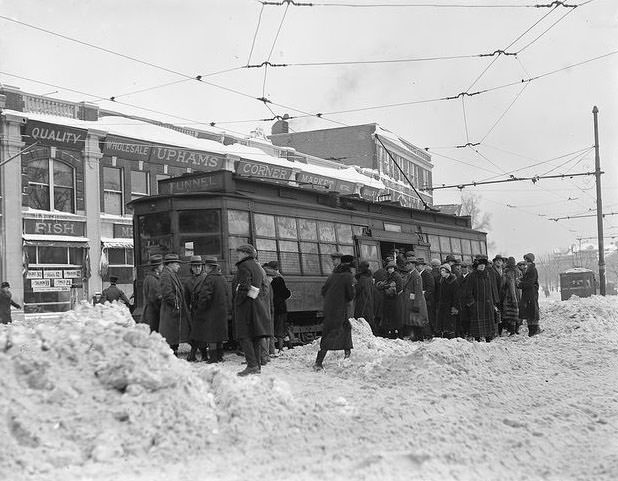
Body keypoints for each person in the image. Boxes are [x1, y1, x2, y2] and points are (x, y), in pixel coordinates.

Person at [233, 244, 272, 376]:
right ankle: (257, 366)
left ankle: (252, 365)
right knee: (255, 336)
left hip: (246, 306)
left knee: (244, 335)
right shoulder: (256, 266)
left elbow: (244, 286)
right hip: (256, 304)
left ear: (245, 253)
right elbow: (260, 287)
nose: (237, 255)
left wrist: (238, 300)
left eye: (239, 253)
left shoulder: (244, 266)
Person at [314, 255, 355, 371]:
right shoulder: (348, 276)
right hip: (339, 310)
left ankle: (347, 355)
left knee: (345, 328)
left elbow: (323, 291)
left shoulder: (332, 276)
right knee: (332, 334)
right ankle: (318, 362)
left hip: (329, 309)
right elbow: (350, 295)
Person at [193, 256, 230, 363]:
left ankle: (213, 358)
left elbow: (205, 296)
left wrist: (200, 308)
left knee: (212, 335)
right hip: (222, 311)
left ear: (208, 267)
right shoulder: (222, 278)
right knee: (219, 335)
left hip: (211, 312)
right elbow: (227, 294)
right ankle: (220, 356)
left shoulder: (209, 278)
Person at [159, 253, 191, 356]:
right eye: (177, 264)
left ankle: (174, 352)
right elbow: (167, 293)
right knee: (170, 335)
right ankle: (172, 355)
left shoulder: (171, 274)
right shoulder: (165, 275)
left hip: (173, 311)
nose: (179, 266)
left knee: (173, 334)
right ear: (170, 264)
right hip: (171, 311)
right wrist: (176, 304)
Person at [463, 256, 499, 342]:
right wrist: (472, 303)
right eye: (480, 264)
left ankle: (488, 339)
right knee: (477, 327)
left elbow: (492, 289)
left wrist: (493, 302)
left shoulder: (487, 275)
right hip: (477, 305)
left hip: (487, 304)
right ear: (476, 266)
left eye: (483, 264)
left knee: (488, 326)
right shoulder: (472, 276)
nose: (482, 266)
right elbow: (468, 291)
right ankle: (477, 340)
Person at [263, 261, 292, 353]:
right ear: (276, 268)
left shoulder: (265, 277)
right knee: (281, 327)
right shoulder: (278, 278)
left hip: (269, 306)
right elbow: (284, 293)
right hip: (280, 306)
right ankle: (280, 348)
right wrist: (289, 293)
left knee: (273, 327)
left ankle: (287, 345)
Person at [184, 256, 206, 362]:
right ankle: (194, 354)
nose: (197, 268)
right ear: (191, 268)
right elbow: (186, 298)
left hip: (203, 309)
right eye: (195, 266)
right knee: (194, 332)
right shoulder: (188, 281)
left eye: (199, 266)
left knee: (201, 333)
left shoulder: (206, 278)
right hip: (193, 310)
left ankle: (202, 354)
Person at [401, 258, 428, 341]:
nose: (407, 265)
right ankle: (415, 337)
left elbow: (418, 292)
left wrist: (417, 304)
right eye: (406, 264)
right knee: (413, 321)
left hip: (415, 301)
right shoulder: (410, 274)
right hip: (411, 301)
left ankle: (419, 338)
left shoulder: (416, 275)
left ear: (413, 264)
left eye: (408, 264)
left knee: (417, 321)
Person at [376, 260, 402, 338]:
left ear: (394, 268)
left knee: (395, 316)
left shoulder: (396, 276)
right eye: (389, 268)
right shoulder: (388, 276)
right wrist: (387, 286)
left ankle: (397, 333)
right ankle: (392, 332)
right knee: (390, 316)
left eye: (391, 268)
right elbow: (381, 286)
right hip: (389, 299)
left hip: (394, 299)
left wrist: (386, 287)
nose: (390, 269)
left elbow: (398, 288)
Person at [519, 252, 541, 336]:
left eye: (527, 260)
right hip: (530, 294)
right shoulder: (530, 269)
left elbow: (530, 282)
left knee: (532, 312)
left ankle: (533, 331)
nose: (526, 262)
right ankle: (533, 330)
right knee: (530, 312)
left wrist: (520, 284)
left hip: (530, 294)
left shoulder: (531, 270)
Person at [435, 264, 459, 338]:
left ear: (448, 272)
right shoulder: (442, 281)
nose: (441, 272)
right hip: (443, 305)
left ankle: (451, 337)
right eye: (441, 271)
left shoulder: (453, 281)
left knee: (450, 324)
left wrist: (455, 307)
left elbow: (456, 296)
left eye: (443, 271)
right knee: (443, 323)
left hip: (450, 306)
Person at [143, 254, 164, 332]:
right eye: (161, 265)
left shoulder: (149, 278)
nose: (163, 267)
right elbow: (154, 298)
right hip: (153, 314)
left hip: (150, 312)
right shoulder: (153, 280)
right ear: (157, 267)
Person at [354, 260, 375, 333]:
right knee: (369, 316)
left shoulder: (362, 278)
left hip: (362, 300)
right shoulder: (370, 277)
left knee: (361, 317)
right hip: (369, 299)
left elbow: (358, 289)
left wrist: (354, 286)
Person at [501, 256, 521, 335]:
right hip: (518, 293)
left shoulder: (506, 272)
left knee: (511, 312)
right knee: (516, 311)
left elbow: (503, 284)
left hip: (509, 294)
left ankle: (512, 330)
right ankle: (516, 329)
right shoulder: (517, 271)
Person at [490, 255, 506, 335]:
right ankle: (496, 331)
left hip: (503, 295)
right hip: (495, 295)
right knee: (496, 313)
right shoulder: (492, 271)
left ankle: (500, 330)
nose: (498, 262)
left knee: (502, 313)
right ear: (494, 262)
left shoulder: (503, 271)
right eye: (497, 260)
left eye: (500, 260)